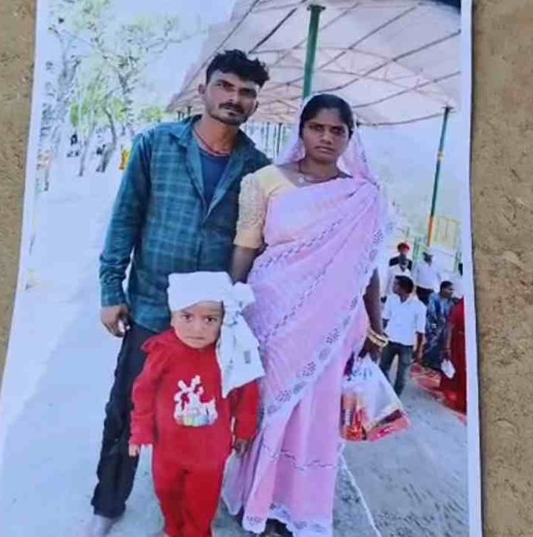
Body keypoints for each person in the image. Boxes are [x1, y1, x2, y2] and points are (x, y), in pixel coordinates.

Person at [88, 49, 271, 536]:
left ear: (254, 103)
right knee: (128, 406)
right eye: (225, 86)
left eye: (246, 92)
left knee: (200, 413)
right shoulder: (157, 145)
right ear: (204, 89)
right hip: (152, 306)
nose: (234, 98)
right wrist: (111, 288)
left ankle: (185, 507)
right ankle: (108, 503)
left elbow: (259, 243)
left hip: (212, 322)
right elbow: (125, 219)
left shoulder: (257, 169)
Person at [222, 94, 390, 536]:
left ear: (350, 138)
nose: (326, 138)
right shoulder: (265, 181)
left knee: (315, 414)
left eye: (337, 130)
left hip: (332, 327)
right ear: (302, 130)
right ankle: (256, 499)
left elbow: (367, 266)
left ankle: (296, 507)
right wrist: (230, 307)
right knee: (266, 407)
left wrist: (376, 326)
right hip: (271, 316)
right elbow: (245, 247)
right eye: (317, 127)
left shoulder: (362, 195)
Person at [128, 272, 260, 537]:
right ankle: (173, 529)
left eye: (209, 319)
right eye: (187, 317)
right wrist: (140, 430)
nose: (197, 329)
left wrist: (244, 430)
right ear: (172, 317)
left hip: (210, 455)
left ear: (223, 320)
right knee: (166, 492)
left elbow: (247, 392)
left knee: (202, 504)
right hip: (168, 450)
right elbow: (144, 391)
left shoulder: (230, 353)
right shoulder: (164, 350)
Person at [379, 275, 426, 395]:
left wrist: (419, 350)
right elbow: (384, 319)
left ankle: (396, 397)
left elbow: (420, 331)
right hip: (390, 340)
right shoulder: (391, 299)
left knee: (402, 376)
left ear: (403, 288)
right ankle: (389, 393)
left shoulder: (419, 306)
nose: (393, 286)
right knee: (382, 368)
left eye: (396, 284)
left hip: (406, 344)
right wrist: (379, 337)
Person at [439, 297, 467, 413]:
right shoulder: (459, 309)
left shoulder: (460, 308)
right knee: (459, 369)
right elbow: (450, 327)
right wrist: (447, 346)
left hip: (463, 342)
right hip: (459, 342)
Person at [420, 280, 456, 371]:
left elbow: (450, 317)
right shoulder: (433, 297)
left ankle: (435, 362)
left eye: (452, 290)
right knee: (432, 341)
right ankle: (426, 360)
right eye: (450, 289)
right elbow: (431, 313)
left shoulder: (450, 303)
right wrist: (435, 326)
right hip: (432, 324)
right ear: (443, 289)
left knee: (441, 343)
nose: (452, 292)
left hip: (443, 327)